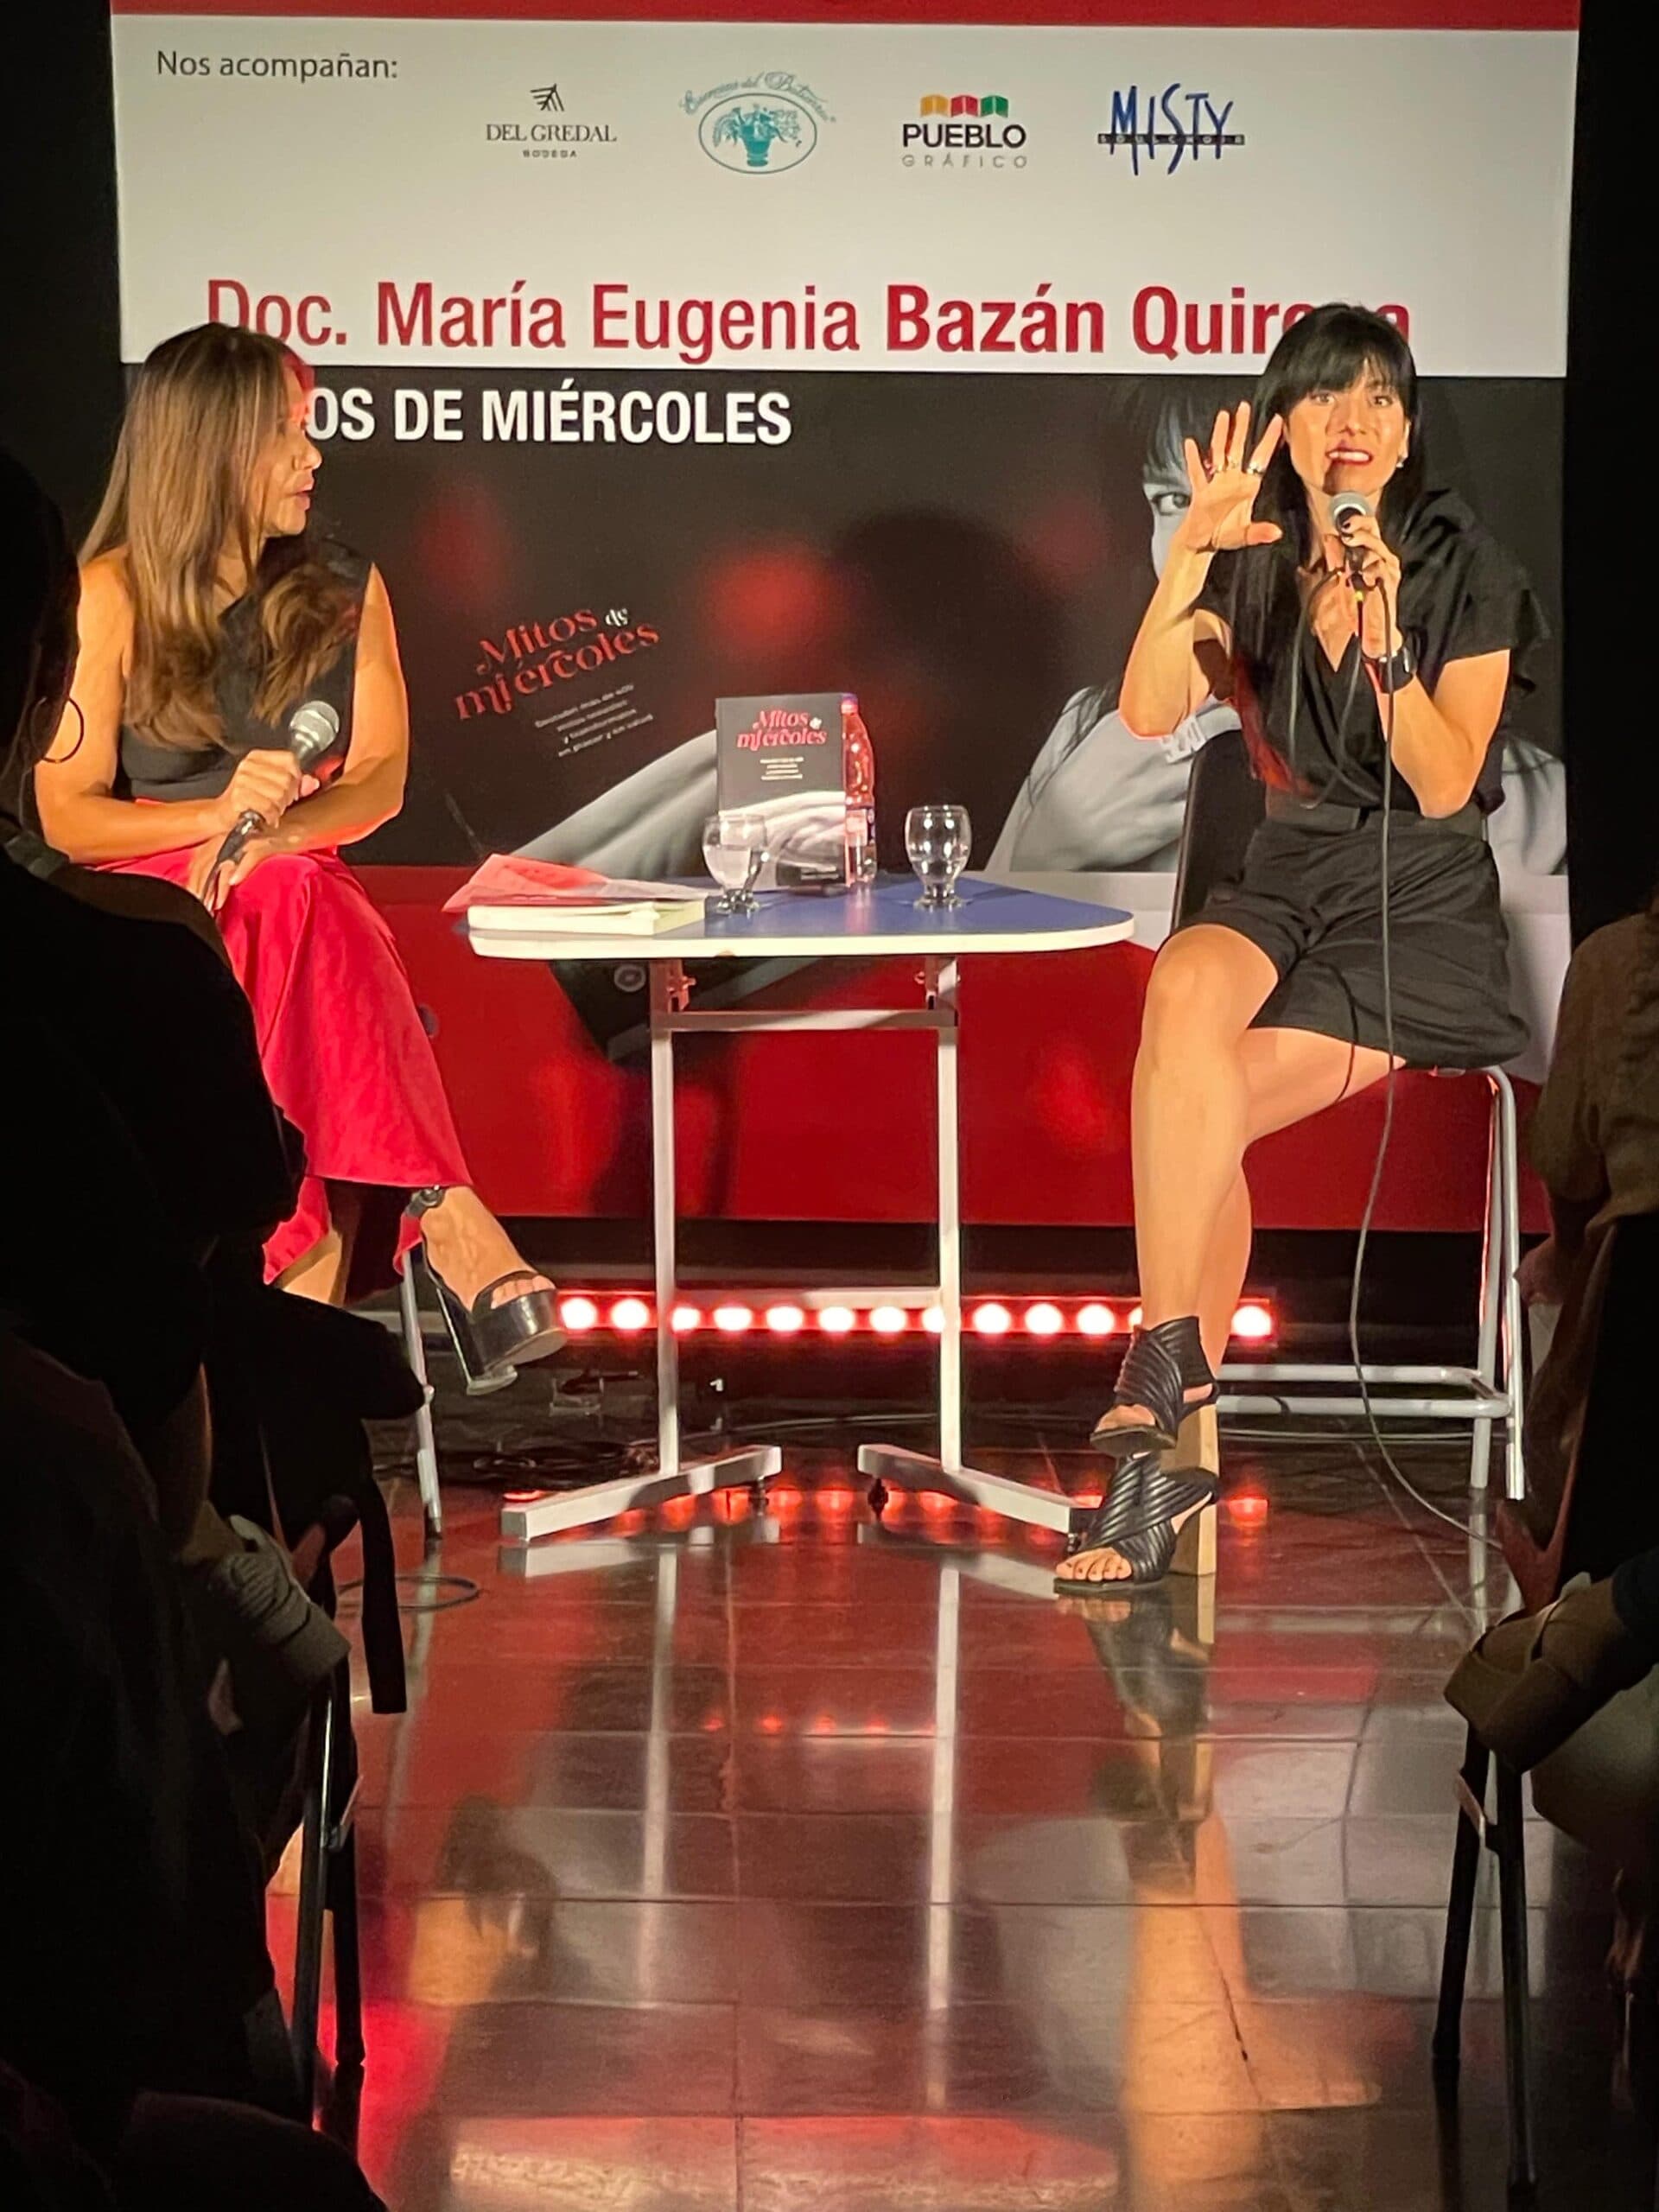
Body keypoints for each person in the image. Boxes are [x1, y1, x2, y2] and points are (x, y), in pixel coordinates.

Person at [1059, 303, 1541, 1590]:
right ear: (1285, 423)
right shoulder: (1254, 550)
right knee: (1181, 989)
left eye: (1381, 398)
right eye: (1329, 396)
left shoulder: (1462, 564)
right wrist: (1188, 561)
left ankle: (1158, 1446)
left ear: (1407, 432)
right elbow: (1150, 708)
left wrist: (1386, 646)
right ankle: (1172, 1368)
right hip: (1285, 872)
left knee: (1197, 1108)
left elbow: (1443, 783)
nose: (1355, 422)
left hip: (1415, 905)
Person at [34, 322, 561, 1391]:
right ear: (213, 446)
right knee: (294, 902)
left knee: (290, 891)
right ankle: (441, 1212)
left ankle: (286, 1302)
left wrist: (269, 833)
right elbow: (68, 819)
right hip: (152, 903)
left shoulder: (344, 588)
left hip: (284, 887)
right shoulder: (113, 592)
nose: (313, 455)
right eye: (287, 432)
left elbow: (378, 782)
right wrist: (216, 818)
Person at [988, 377, 1565, 882]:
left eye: (1254, 492)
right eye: (1173, 499)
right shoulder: (1085, 732)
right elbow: (982, 944)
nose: (1213, 528)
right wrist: (1051, 846)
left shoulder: (1532, 802)